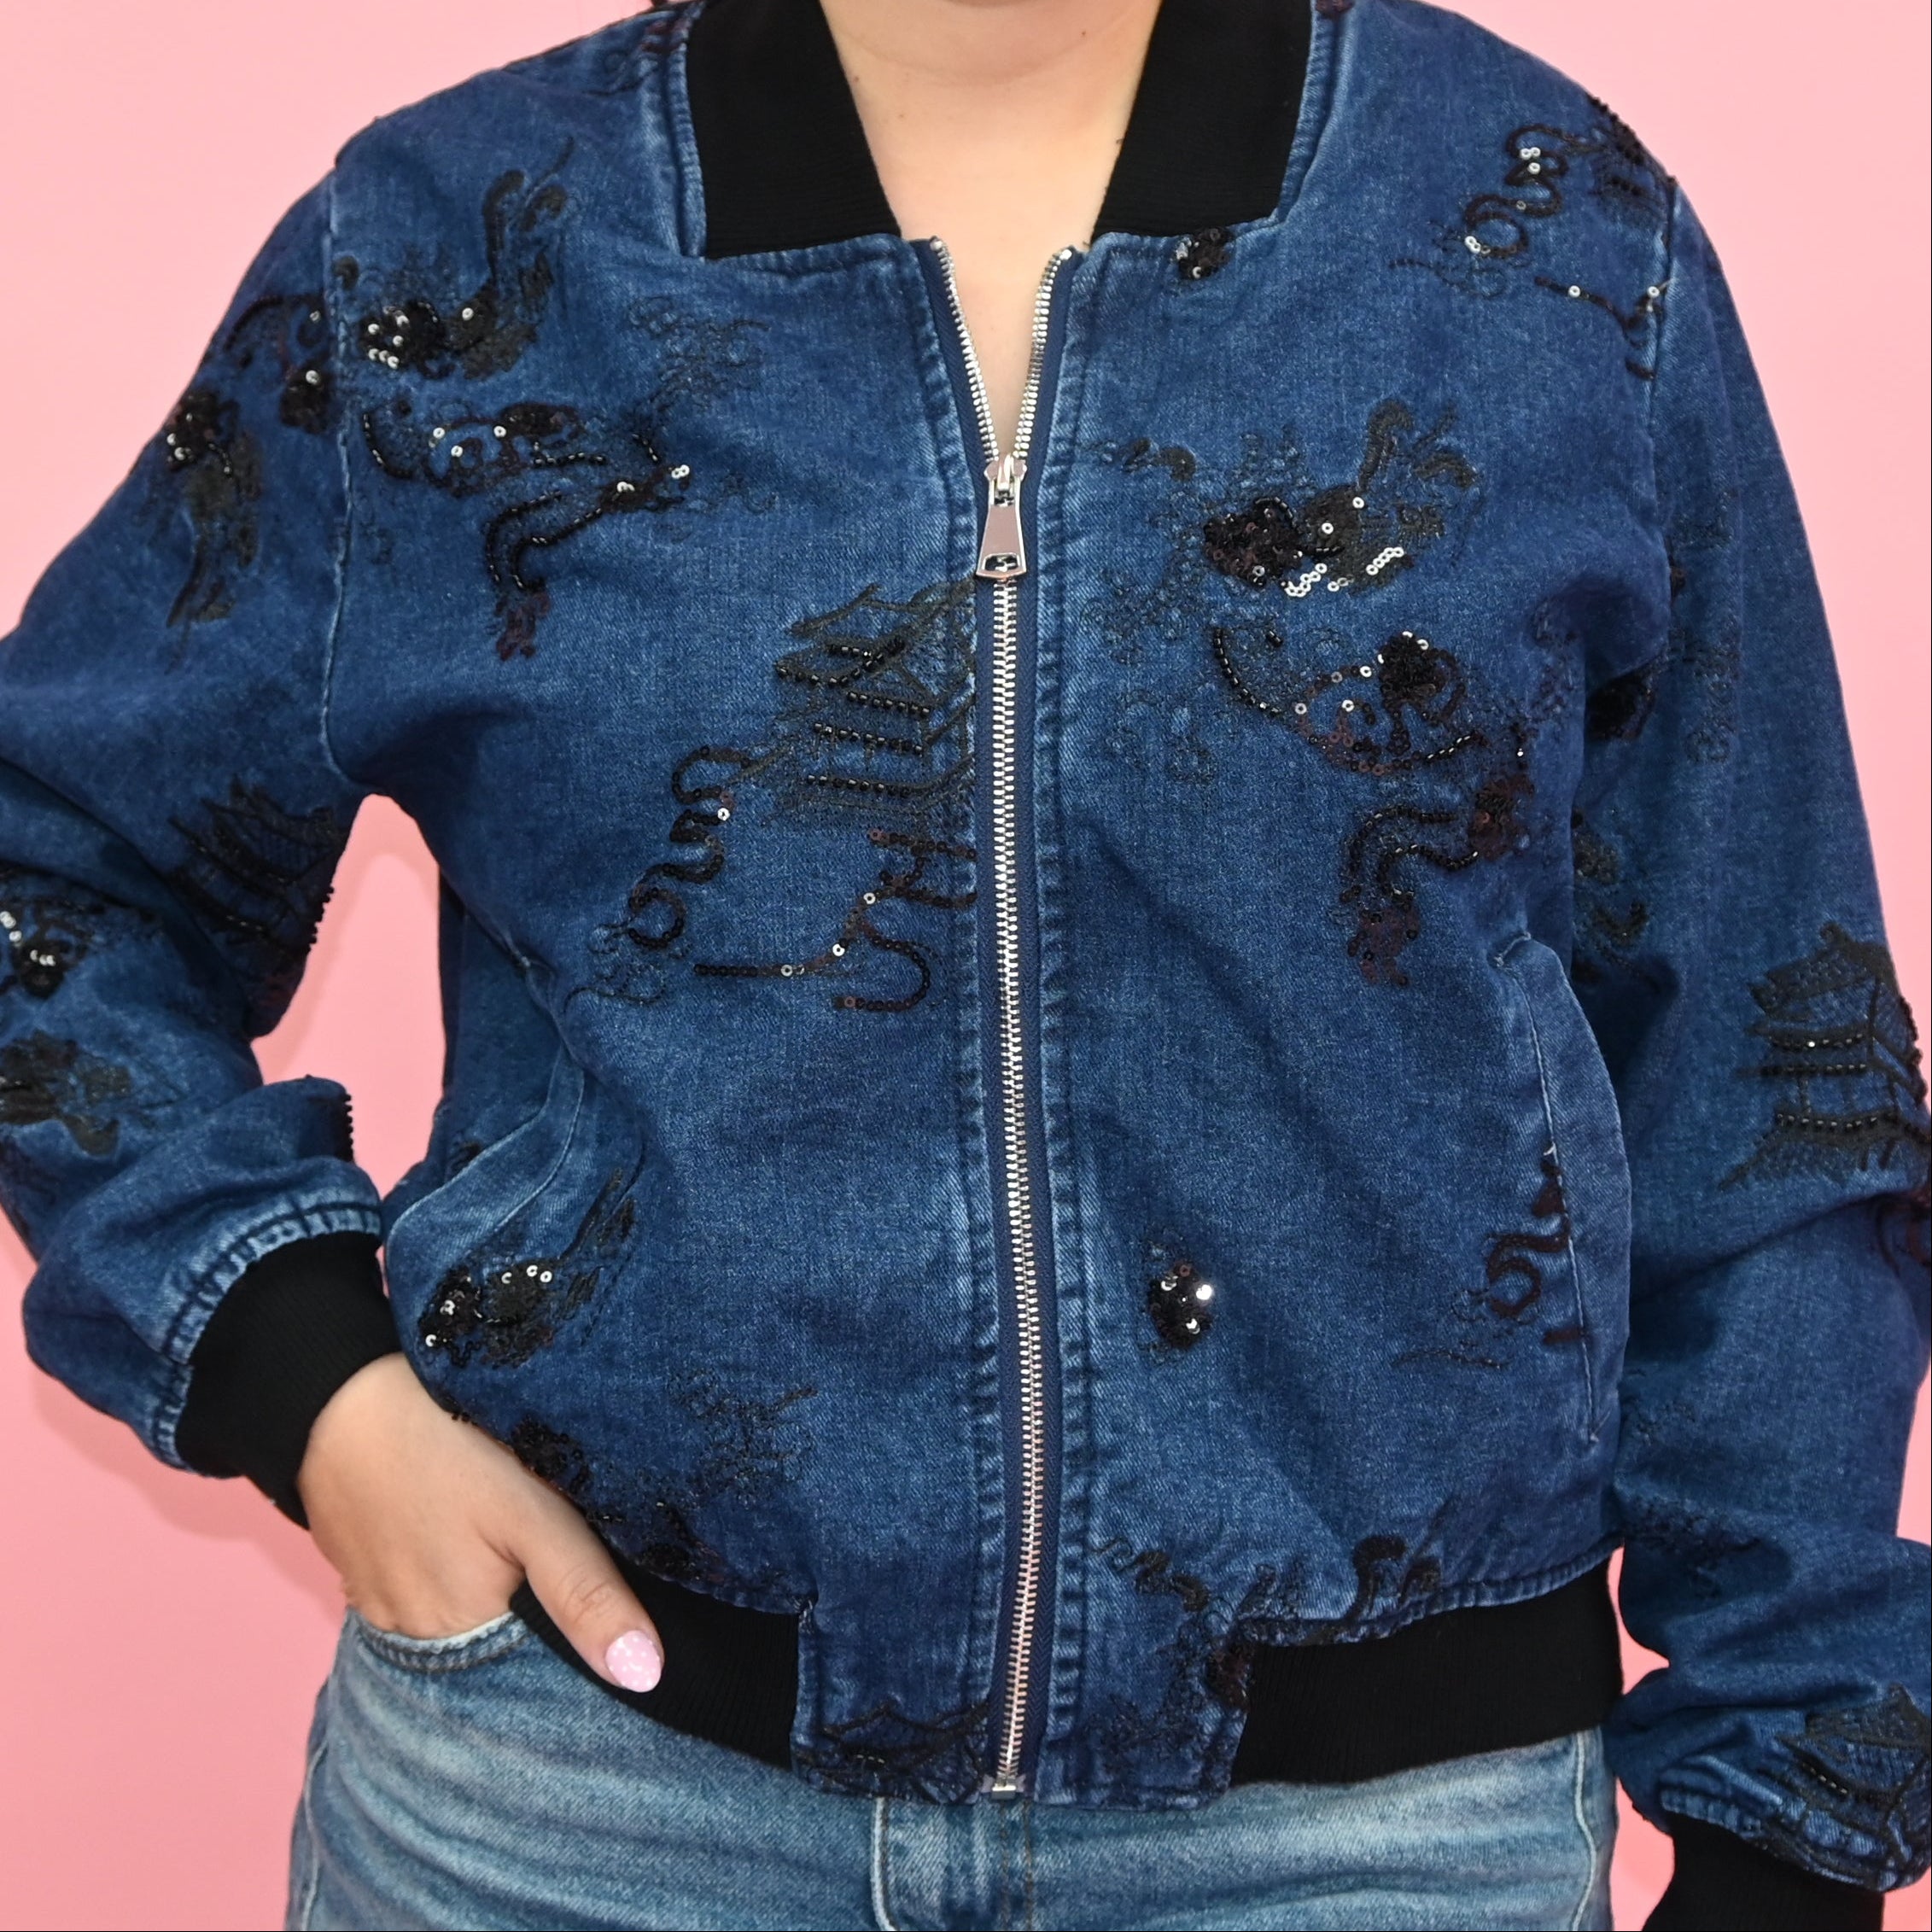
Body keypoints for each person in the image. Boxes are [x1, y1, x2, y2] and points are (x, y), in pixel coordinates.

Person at [3, 0, 1926, 1926]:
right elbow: (50, 863)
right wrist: (303, 1375)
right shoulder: (448, 238)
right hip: (582, 1812)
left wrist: (1790, 1820)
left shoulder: (1550, 234)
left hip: (1369, 1847)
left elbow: (1765, 1051)